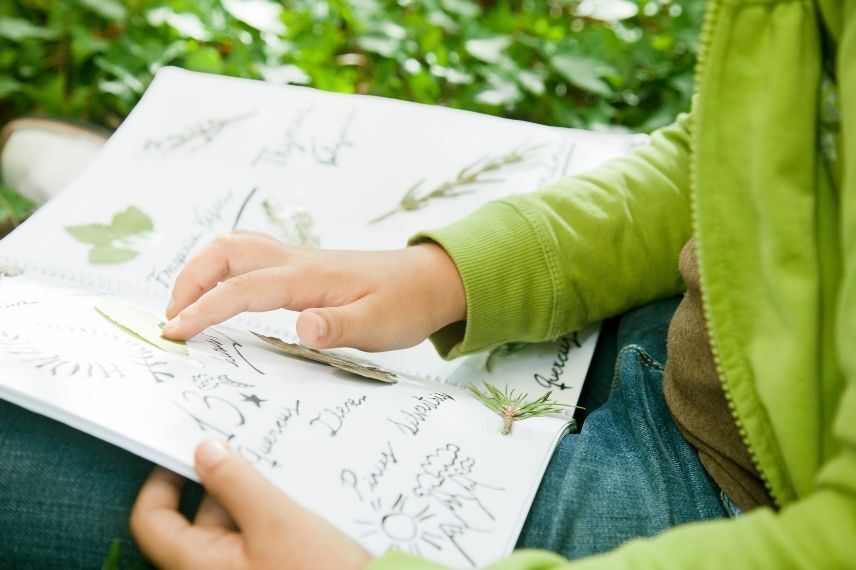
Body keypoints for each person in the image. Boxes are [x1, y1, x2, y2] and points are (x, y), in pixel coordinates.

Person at [0, 0, 852, 567]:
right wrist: (446, 273)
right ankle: (107, 219)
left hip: (735, 516)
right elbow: (737, 145)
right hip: (693, 336)